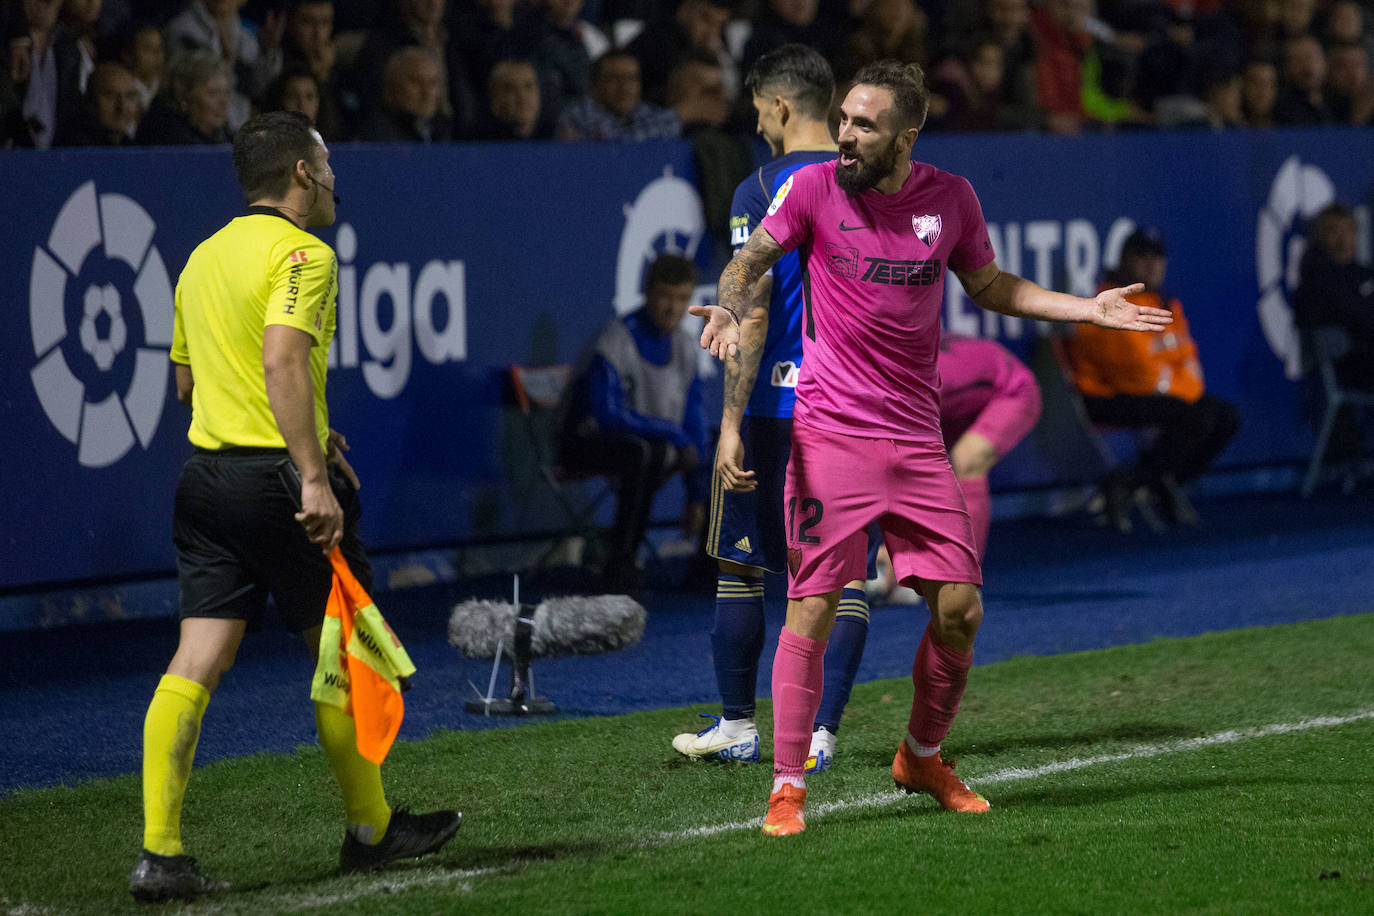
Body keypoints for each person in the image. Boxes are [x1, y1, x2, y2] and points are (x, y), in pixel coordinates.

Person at [691, 60, 1172, 837]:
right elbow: (750, 260)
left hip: (916, 442)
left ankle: (921, 755)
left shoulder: (950, 199)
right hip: (832, 435)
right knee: (810, 606)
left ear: (906, 135)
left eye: (865, 125)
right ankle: (786, 786)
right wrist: (728, 306)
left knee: (961, 610)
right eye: (843, 118)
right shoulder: (811, 190)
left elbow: (989, 286)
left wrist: (1088, 309)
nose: (845, 136)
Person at [130, 110, 459, 903]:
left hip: (206, 480)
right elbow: (280, 357)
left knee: (196, 661)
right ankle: (372, 827)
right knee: (343, 653)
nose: (336, 173)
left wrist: (305, 425)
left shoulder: (203, 257)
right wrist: (311, 472)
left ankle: (161, 854)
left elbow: (186, 384)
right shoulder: (302, 252)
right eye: (328, 159)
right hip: (279, 485)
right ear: (303, 173)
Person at [671, 43, 854, 765]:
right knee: (841, 573)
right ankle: (819, 732)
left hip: (776, 405)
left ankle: (741, 725)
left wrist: (728, 425)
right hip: (850, 407)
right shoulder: (863, 179)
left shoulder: (764, 188)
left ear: (779, 105)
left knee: (742, 566)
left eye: (756, 110)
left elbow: (749, 309)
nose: (756, 124)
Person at [808, 334, 1042, 769]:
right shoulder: (890, 370)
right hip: (948, 409)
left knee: (967, 460)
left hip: (1012, 392)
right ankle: (906, 573)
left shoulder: (918, 377)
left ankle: (964, 576)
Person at [1064, 227, 1240, 532]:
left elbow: (1189, 362)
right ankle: (1133, 482)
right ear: (1123, 261)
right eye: (1142, 257)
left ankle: (1145, 482)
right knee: (1193, 418)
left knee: (1225, 417)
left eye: (1158, 257)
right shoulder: (1107, 304)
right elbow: (1138, 377)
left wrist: (1183, 390)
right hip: (1107, 399)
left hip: (1161, 395)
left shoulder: (1165, 302)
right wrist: (1183, 391)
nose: (1152, 265)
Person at [557, 253, 710, 594]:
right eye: (665, 296)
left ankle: (709, 564)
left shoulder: (685, 347)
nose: (673, 308)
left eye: (682, 298)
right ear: (647, 293)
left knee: (720, 445)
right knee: (644, 452)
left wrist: (696, 496)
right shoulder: (617, 338)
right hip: (584, 442)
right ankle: (621, 564)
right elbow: (606, 415)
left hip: (651, 445)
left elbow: (694, 423)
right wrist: (673, 434)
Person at [555, 48, 680, 141]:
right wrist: (679, 115)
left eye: (632, 78)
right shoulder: (578, 115)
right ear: (594, 86)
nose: (625, 87)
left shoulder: (643, 111)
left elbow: (672, 131)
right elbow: (615, 149)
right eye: (614, 78)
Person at [354, 45, 452, 142]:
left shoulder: (446, 129)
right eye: (416, 82)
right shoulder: (376, 138)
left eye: (432, 82)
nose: (427, 93)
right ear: (393, 87)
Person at [55, 59, 141, 145]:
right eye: (110, 96)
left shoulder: (130, 146)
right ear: (89, 101)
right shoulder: (76, 148)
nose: (122, 107)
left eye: (130, 96)